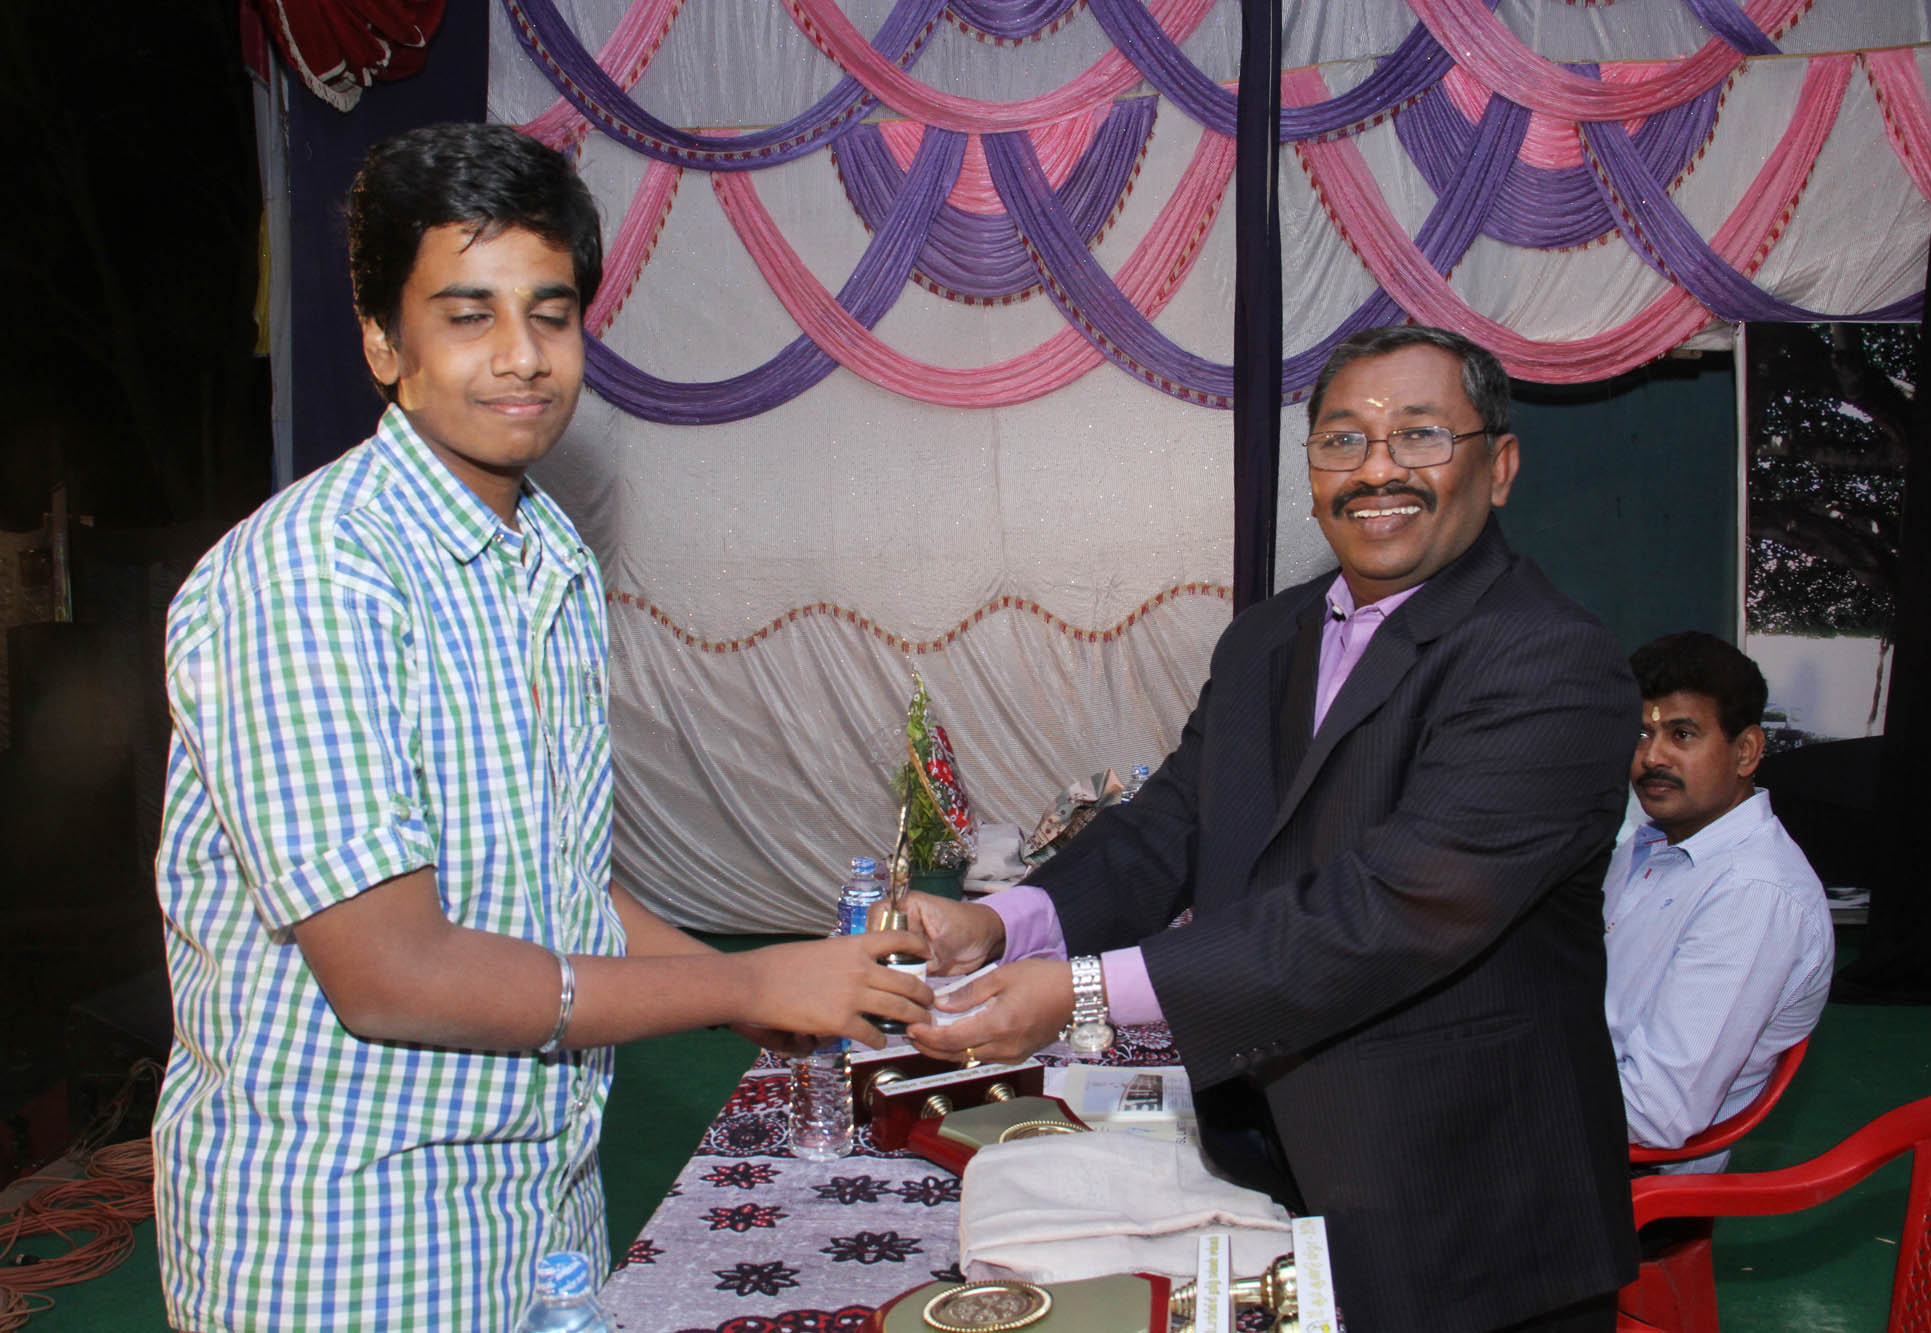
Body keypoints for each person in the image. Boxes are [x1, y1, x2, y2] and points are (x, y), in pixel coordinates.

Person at [151, 122, 931, 1332]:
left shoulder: (544, 554)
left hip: (532, 1215)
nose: (521, 356)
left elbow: (552, 882)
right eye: (468, 316)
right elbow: (393, 976)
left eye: (550, 314)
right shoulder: (312, 577)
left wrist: (748, 997)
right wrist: (749, 973)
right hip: (348, 1244)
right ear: (382, 341)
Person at [904, 326, 1638, 1332]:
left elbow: (1384, 911)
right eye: (1343, 439)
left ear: (1498, 465)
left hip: (1464, 1203)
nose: (1376, 469)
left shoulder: (1546, 659)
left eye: (1420, 435)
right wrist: (1004, 924)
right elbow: (1172, 819)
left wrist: (1083, 991)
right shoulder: (1266, 636)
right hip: (1268, 1151)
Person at [1605, 631, 1834, 1172]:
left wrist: (1496, 1087)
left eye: (1682, 734)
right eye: (1641, 733)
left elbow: (1654, 1112)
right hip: (1573, 1108)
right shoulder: (1650, 845)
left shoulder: (1752, 894)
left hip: (1627, 1175)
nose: (1651, 757)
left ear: (1746, 751)